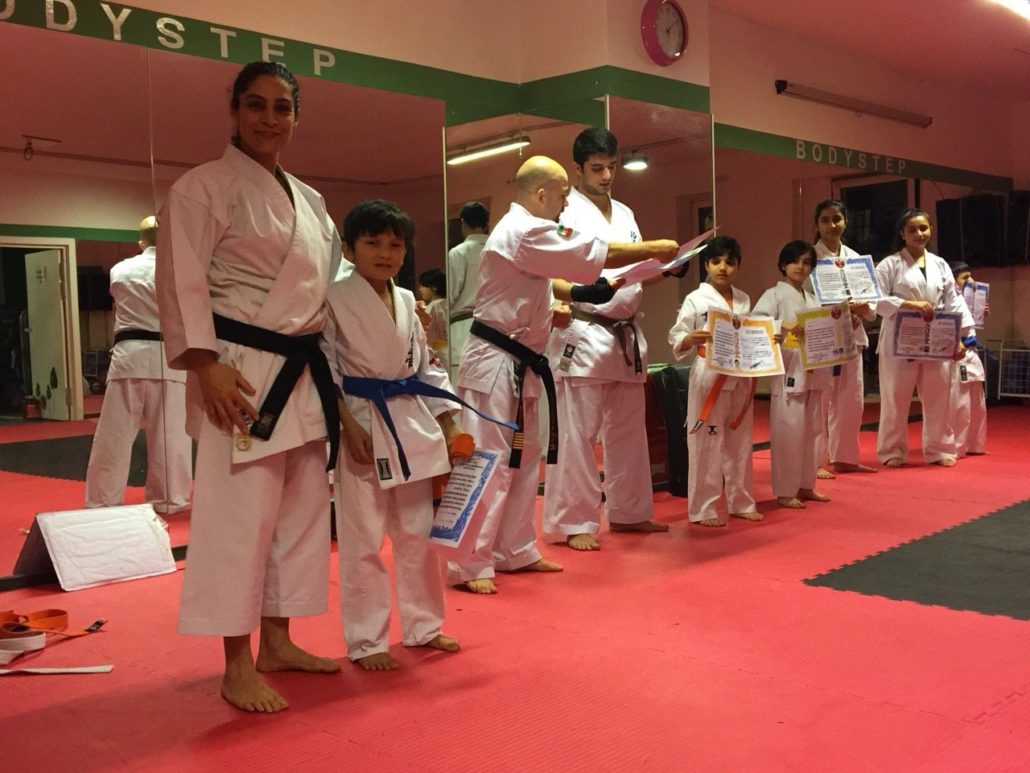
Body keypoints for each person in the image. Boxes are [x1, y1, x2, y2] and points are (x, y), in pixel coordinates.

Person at [156, 61, 342, 713]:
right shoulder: (201, 187)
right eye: (256, 104)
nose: (269, 118)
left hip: (302, 372)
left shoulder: (311, 201)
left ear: (296, 117)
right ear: (234, 110)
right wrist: (203, 362)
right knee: (238, 520)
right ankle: (236, 662)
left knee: (297, 514)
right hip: (239, 369)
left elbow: (323, 292)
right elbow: (181, 280)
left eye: (282, 107)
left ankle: (278, 641)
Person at [447, 155, 678, 593]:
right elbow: (594, 252)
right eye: (561, 195)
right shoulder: (523, 228)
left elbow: (547, 282)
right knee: (489, 461)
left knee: (524, 458)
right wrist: (655, 248)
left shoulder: (526, 234)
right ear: (540, 194)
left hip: (522, 361)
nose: (565, 204)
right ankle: (468, 563)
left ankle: (514, 549)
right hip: (495, 361)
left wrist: (575, 297)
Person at [327, 201, 464, 671]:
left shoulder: (407, 301)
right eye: (373, 243)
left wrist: (448, 421)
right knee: (363, 537)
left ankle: (424, 625)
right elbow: (325, 369)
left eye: (395, 244)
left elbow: (428, 367)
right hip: (362, 419)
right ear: (349, 249)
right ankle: (367, 640)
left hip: (408, 420)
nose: (385, 253)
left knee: (417, 532)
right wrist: (346, 425)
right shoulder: (332, 298)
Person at [543, 127, 672, 551]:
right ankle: (575, 521)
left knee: (628, 432)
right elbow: (557, 271)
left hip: (625, 334)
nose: (606, 175)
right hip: (584, 331)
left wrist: (663, 269)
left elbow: (632, 275)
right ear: (577, 169)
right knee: (578, 434)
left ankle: (630, 512)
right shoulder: (565, 215)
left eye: (611, 166)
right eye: (596, 168)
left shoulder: (626, 213)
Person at [84, 216, 192, 513]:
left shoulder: (121, 269)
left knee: (114, 434)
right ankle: (169, 499)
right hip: (169, 357)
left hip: (129, 356)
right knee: (171, 434)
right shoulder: (181, 270)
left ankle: (103, 500)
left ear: (140, 242)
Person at [669, 236, 763, 527]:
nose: (723, 268)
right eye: (716, 261)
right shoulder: (695, 299)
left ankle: (741, 502)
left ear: (738, 266)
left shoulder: (744, 298)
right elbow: (677, 334)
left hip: (740, 374)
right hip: (708, 374)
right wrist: (689, 338)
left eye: (730, 262)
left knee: (740, 442)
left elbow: (749, 333)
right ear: (706, 265)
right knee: (706, 443)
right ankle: (703, 508)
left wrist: (766, 341)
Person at [874, 208, 973, 468]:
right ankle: (892, 450)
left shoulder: (940, 264)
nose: (919, 233)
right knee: (895, 397)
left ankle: (939, 449)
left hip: (937, 336)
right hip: (900, 337)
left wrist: (958, 339)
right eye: (912, 229)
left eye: (923, 228)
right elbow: (875, 300)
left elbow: (953, 303)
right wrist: (909, 304)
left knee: (938, 396)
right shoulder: (889, 264)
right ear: (902, 234)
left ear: (930, 229)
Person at [753, 241, 832, 509]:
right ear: (783, 265)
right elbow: (756, 324)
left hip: (813, 370)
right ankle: (786, 490)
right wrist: (781, 325)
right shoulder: (773, 295)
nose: (800, 267)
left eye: (807, 262)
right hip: (788, 370)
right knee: (788, 432)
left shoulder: (813, 299)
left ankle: (806, 484)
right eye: (795, 261)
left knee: (812, 431)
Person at [812, 199, 877, 475]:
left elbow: (871, 301)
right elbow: (806, 299)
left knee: (851, 399)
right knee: (819, 400)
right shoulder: (810, 258)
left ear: (845, 222)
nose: (832, 225)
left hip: (852, 336)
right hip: (823, 337)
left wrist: (862, 309)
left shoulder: (856, 259)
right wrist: (839, 311)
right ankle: (815, 462)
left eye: (837, 219)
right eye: (825, 220)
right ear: (817, 224)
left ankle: (845, 457)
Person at [948, 261, 988, 457]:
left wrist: (981, 315)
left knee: (977, 405)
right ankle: (956, 447)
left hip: (972, 352)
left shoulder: (969, 298)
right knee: (960, 405)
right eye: (965, 277)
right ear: (953, 281)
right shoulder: (949, 298)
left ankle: (975, 445)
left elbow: (971, 327)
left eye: (970, 275)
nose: (970, 280)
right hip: (958, 352)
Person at [447, 201, 489, 379]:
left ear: (463, 223)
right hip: (495, 330)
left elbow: (450, 294)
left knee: (460, 386)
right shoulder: (499, 251)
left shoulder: (459, 252)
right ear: (486, 224)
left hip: (463, 329)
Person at [417, 267, 449, 372]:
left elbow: (426, 334)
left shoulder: (434, 306)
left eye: (423, 286)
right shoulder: (449, 304)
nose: (420, 289)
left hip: (438, 353)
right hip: (450, 351)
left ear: (434, 287)